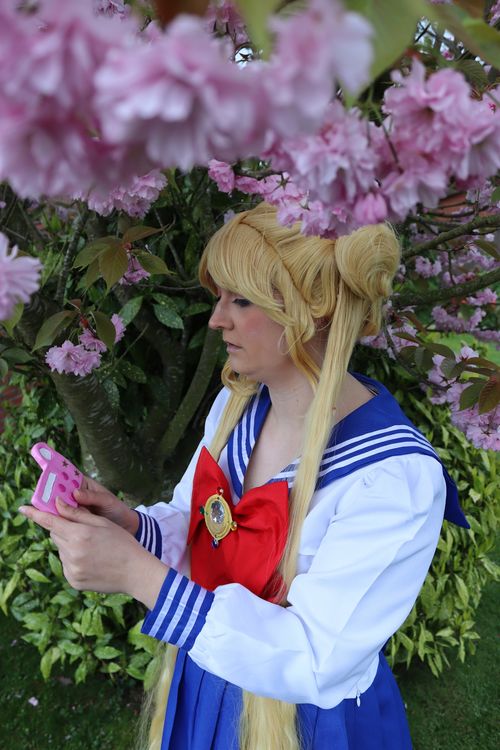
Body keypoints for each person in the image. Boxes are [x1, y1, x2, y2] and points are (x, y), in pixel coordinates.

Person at [20, 203, 468, 750]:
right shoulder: (239, 406)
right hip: (207, 672)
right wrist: (133, 530)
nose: (216, 319)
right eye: (220, 296)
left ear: (313, 311)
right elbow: (200, 527)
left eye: (242, 299)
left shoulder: (393, 478)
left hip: (309, 725)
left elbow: (315, 656)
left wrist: (138, 576)